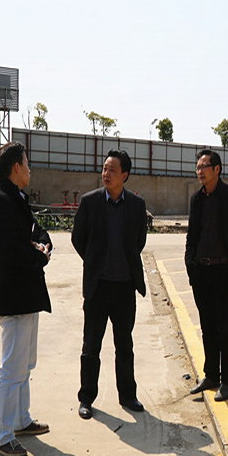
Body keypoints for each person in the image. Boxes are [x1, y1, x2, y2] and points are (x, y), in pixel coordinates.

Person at [0, 141, 52, 456]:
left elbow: (36, 231)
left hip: (26, 296)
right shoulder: (0, 202)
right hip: (14, 297)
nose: (29, 169)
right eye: (26, 163)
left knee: (25, 364)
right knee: (12, 368)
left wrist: (43, 244)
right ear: (16, 167)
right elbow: (10, 250)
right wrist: (38, 255)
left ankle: (20, 420)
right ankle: (1, 434)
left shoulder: (15, 198)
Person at [72, 149, 148, 420]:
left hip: (125, 288)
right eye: (104, 168)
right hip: (98, 287)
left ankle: (127, 395)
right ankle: (86, 398)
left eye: (112, 170)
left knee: (124, 345)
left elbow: (139, 241)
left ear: (124, 175)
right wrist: (95, 261)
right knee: (91, 346)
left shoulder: (136, 206)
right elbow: (78, 238)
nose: (106, 173)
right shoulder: (90, 202)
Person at [185, 149, 228, 402]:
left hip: (224, 273)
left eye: (204, 166)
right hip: (202, 273)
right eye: (198, 167)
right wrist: (191, 266)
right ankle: (211, 375)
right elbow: (192, 236)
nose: (199, 171)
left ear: (217, 169)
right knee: (207, 327)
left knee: (225, 328)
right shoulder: (197, 199)